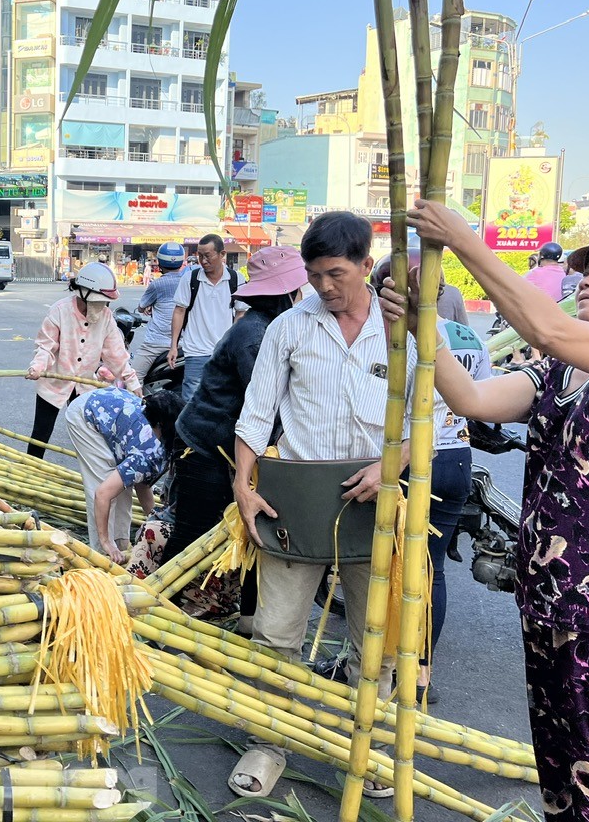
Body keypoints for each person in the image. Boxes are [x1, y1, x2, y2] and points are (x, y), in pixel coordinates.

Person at [381, 207, 589, 822]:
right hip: (548, 601)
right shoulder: (560, 368)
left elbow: (551, 329)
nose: (585, 279)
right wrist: (416, 323)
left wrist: (464, 243)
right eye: (583, 271)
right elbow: (473, 398)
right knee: (560, 778)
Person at [228, 212, 412, 800]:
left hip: (376, 501)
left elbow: (441, 416)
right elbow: (257, 412)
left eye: (336, 273)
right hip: (297, 500)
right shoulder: (290, 328)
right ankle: (268, 742)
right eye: (314, 276)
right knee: (278, 632)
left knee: (374, 636)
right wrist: (243, 483)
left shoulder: (403, 329)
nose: (325, 287)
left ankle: (369, 742)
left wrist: (394, 462)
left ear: (366, 263)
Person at [159, 245, 310, 629]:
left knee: (251, 533)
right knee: (191, 535)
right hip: (206, 447)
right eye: (297, 293)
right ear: (282, 296)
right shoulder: (254, 336)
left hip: (235, 448)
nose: (302, 300)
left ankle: (248, 620)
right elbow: (266, 406)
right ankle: (156, 611)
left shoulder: (270, 328)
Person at [369, 250, 492, 705]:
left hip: (405, 459)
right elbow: (480, 397)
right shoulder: (464, 334)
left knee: (393, 567)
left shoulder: (384, 334)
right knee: (432, 568)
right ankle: (421, 671)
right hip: (456, 459)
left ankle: (384, 664)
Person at [24, 261, 142, 459]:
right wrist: (37, 366)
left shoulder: (106, 317)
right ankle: (27, 473)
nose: (103, 306)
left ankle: (94, 477)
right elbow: (46, 345)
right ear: (84, 293)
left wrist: (132, 382)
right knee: (40, 434)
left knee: (89, 436)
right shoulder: (59, 311)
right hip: (54, 382)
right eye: (100, 301)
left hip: (84, 385)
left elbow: (116, 354)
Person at [65, 387, 184, 562]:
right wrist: (106, 541)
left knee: (122, 484)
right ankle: (102, 553)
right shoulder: (150, 452)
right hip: (87, 415)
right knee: (104, 482)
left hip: (109, 407)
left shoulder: (174, 443)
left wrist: (154, 521)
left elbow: (141, 481)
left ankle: (120, 545)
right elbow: (102, 494)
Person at [168, 233, 241, 400]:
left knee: (221, 399)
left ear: (222, 254)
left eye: (207, 255)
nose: (203, 260)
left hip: (224, 353)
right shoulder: (191, 279)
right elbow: (179, 311)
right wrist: (173, 346)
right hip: (195, 351)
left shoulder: (236, 279)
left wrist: (234, 345)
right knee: (191, 401)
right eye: (200, 255)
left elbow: (241, 313)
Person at [131, 242, 186, 379]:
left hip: (156, 344)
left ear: (159, 262)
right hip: (184, 343)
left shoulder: (156, 284)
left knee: (133, 379)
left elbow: (141, 307)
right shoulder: (188, 281)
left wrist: (148, 306)